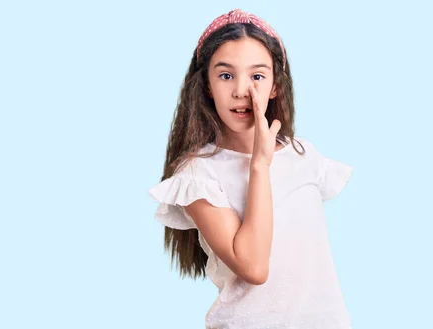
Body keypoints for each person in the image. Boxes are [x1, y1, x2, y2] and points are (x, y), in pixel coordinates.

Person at [148, 8, 353, 329]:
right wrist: (259, 165)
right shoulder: (197, 174)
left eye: (257, 76)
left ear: (275, 86)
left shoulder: (304, 155)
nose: (242, 90)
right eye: (226, 75)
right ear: (205, 86)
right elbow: (254, 267)